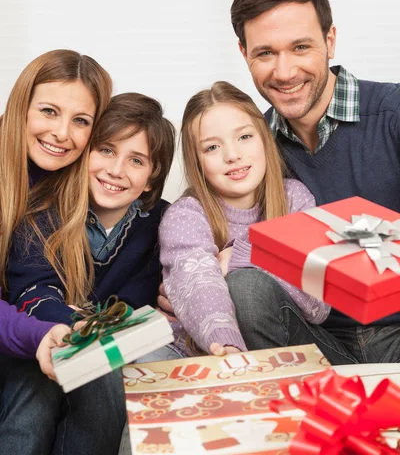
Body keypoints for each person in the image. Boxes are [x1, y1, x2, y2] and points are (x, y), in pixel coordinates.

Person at [227, 0, 400, 365]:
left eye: (301, 47)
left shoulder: (393, 114)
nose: (285, 72)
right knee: (245, 285)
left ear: (330, 41)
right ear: (244, 55)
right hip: (316, 344)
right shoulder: (247, 149)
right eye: (265, 53)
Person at [0, 50, 128, 455]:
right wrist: (36, 334)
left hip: (18, 347)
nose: (61, 133)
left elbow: (35, 284)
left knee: (70, 369)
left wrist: (68, 332)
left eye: (80, 121)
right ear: (22, 106)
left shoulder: (59, 193)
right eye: (49, 111)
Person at [158, 81, 329, 357]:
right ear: (196, 161)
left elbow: (318, 303)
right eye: (212, 147)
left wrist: (241, 257)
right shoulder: (186, 216)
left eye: (244, 137)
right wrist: (225, 345)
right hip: (219, 356)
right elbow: (199, 280)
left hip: (301, 349)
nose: (232, 155)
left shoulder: (294, 199)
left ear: (264, 138)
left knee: (246, 285)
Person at [7, 92, 176, 323]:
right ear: (84, 153)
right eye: (107, 150)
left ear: (151, 179)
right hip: (50, 343)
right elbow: (34, 293)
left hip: (127, 348)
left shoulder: (167, 221)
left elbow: (138, 300)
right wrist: (76, 322)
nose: (116, 170)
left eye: (136, 161)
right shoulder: (41, 210)